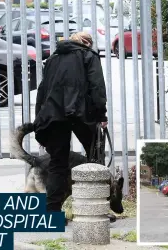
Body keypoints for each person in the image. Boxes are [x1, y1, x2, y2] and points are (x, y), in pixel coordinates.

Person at [33, 32, 108, 215]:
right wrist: (101, 115)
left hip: (54, 116)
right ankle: (95, 208)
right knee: (96, 159)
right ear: (86, 43)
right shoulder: (89, 56)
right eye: (89, 42)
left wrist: (39, 122)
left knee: (58, 164)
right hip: (82, 114)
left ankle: (52, 212)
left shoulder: (52, 59)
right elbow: (97, 87)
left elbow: (42, 91)